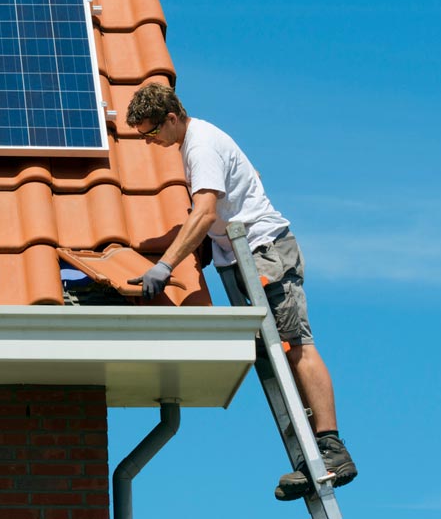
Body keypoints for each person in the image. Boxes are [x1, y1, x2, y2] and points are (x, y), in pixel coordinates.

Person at [124, 82, 357, 501]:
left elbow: (206, 211)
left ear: (172, 117)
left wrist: (166, 265)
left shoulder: (201, 146)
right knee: (275, 354)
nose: (151, 141)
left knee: (297, 345)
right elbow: (244, 187)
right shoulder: (196, 143)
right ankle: (309, 457)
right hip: (247, 258)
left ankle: (332, 447)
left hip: (267, 254)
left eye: (151, 132)